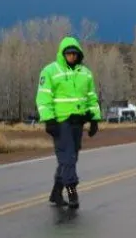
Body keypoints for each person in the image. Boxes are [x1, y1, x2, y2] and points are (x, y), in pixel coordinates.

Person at [35, 36, 101, 209]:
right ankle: (72, 192)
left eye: (74, 53)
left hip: (77, 122)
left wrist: (94, 120)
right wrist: (49, 120)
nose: (72, 56)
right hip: (60, 122)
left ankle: (56, 193)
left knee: (70, 158)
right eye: (68, 53)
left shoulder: (85, 73)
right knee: (68, 157)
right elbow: (43, 97)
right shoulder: (50, 71)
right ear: (62, 54)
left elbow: (91, 98)